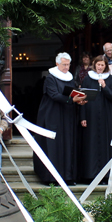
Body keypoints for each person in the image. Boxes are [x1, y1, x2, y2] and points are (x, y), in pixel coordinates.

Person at [33, 52, 86, 184]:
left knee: (68, 144)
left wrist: (79, 100)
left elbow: (73, 93)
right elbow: (54, 95)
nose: (66, 67)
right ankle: (52, 178)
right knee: (54, 146)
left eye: (68, 64)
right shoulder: (50, 78)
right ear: (57, 64)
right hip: (53, 115)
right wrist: (72, 100)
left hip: (67, 116)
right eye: (64, 64)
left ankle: (68, 176)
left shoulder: (70, 78)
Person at [78, 55, 112, 181]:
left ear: (105, 66)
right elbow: (82, 99)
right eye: (98, 64)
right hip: (91, 116)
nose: (100, 67)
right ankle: (90, 175)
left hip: (108, 117)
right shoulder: (87, 79)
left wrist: (104, 86)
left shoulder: (110, 79)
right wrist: (83, 117)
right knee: (91, 144)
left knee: (107, 144)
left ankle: (107, 175)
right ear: (94, 65)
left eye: (102, 65)